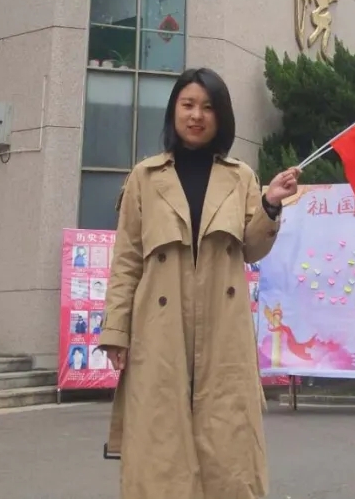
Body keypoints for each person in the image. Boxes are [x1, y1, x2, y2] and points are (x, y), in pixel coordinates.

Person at [98, 67, 300, 499]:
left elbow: (251, 248)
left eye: (207, 107)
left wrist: (269, 205)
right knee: (160, 440)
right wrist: (116, 332)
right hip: (158, 329)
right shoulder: (144, 177)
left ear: (220, 117)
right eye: (187, 105)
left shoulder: (241, 177)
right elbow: (127, 260)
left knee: (228, 441)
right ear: (174, 111)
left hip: (223, 330)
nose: (196, 115)